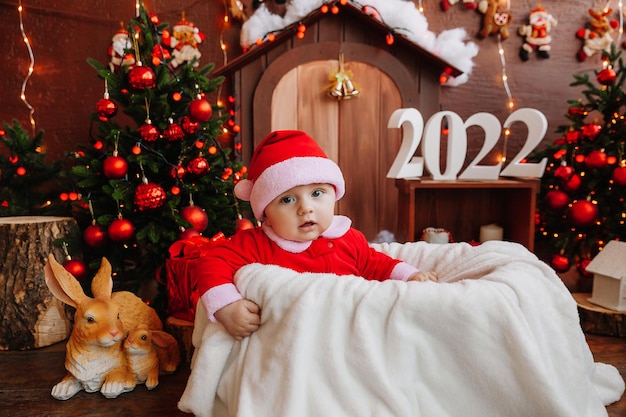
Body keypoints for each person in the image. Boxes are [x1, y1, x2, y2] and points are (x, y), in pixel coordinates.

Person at [196, 130, 438, 340]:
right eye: (287, 199)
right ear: (266, 215)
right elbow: (213, 262)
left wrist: (411, 275)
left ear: (334, 194)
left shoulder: (348, 238)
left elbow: (377, 265)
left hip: (349, 330)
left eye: (317, 193)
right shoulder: (257, 244)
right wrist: (226, 305)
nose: (305, 208)